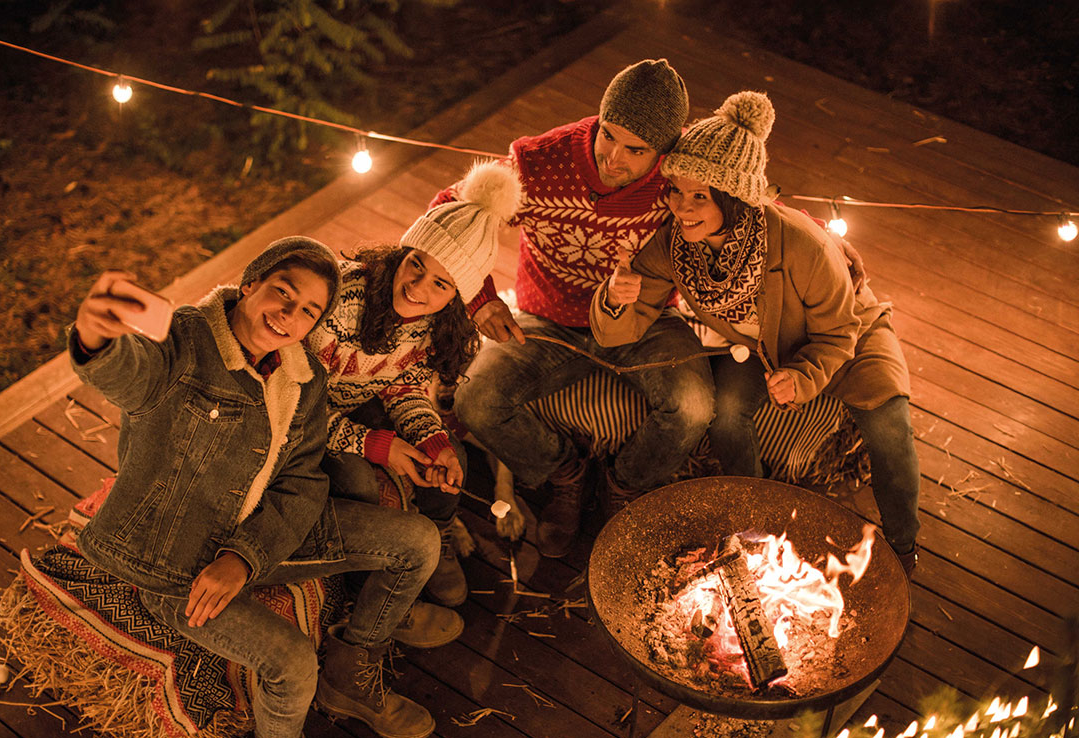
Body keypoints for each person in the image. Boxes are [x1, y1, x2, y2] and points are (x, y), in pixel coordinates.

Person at [69, 237, 464, 738]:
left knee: (419, 541)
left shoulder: (302, 381)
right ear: (249, 283)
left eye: (309, 312)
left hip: (260, 532)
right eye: (283, 293)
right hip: (173, 557)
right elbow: (130, 373)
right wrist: (94, 337)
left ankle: (354, 666)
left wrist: (245, 556)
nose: (290, 316)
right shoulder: (184, 341)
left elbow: (302, 483)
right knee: (290, 660)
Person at [590, 91, 920, 573]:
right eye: (676, 191)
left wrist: (804, 377)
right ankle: (755, 529)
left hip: (851, 334)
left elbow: (837, 330)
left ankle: (903, 547)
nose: (682, 207)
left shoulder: (802, 244)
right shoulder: (675, 244)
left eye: (700, 195)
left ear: (735, 196)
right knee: (725, 414)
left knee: (889, 428)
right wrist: (614, 299)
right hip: (763, 349)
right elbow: (619, 330)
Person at [445, 59, 716, 558]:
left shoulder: (680, 175)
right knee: (475, 401)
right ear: (599, 117)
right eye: (608, 135)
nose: (614, 157)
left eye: (636, 150)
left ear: (664, 149)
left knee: (693, 407)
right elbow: (450, 210)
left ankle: (623, 485)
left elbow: (747, 206)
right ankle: (565, 475)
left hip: (645, 321)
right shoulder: (536, 162)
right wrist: (480, 299)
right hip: (548, 317)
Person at [305, 160, 521, 607]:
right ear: (401, 254)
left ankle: (436, 538)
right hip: (304, 413)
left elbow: (402, 389)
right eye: (415, 265)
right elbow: (290, 404)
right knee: (358, 483)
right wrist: (376, 445)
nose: (418, 287)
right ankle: (366, 582)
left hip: (353, 403)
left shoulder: (433, 327)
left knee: (452, 455)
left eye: (440, 284)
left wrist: (434, 440)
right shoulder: (342, 302)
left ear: (456, 295)